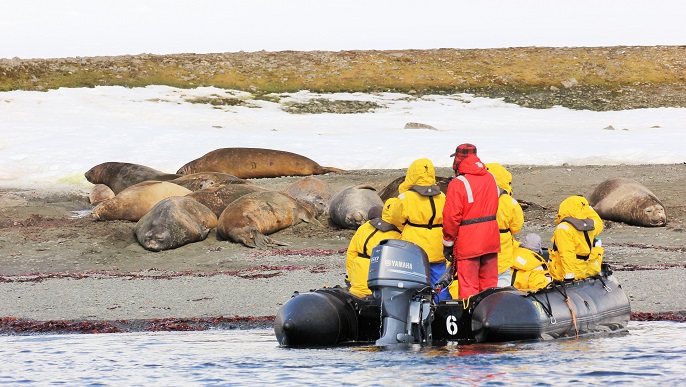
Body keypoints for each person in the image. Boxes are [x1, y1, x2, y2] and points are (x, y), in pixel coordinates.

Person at [388, 158, 455, 301]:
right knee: (440, 284)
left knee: (415, 284)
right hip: (438, 247)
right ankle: (441, 311)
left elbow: (395, 219)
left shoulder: (406, 198)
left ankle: (416, 314)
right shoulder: (442, 196)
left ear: (411, 174)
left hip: (414, 248)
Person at [442, 143, 501, 299]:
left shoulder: (458, 183)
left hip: (469, 241)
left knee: (468, 287)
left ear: (458, 160)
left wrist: (448, 243)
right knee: (490, 285)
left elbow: (451, 217)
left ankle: (470, 320)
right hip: (491, 238)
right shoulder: (491, 177)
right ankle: (490, 317)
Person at [345, 198, 402, 297]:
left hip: (357, 280)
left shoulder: (362, 228)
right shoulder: (396, 233)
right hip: (378, 281)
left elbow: (351, 254)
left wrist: (348, 278)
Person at [548, 195, 604, 282]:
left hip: (567, 273)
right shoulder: (591, 226)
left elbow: (567, 253)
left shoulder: (564, 228)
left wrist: (568, 277)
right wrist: (588, 209)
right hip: (584, 270)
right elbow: (599, 223)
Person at [485, 162, 524, 288]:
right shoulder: (510, 203)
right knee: (502, 280)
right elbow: (516, 227)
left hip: (480, 246)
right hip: (502, 248)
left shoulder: (477, 198)